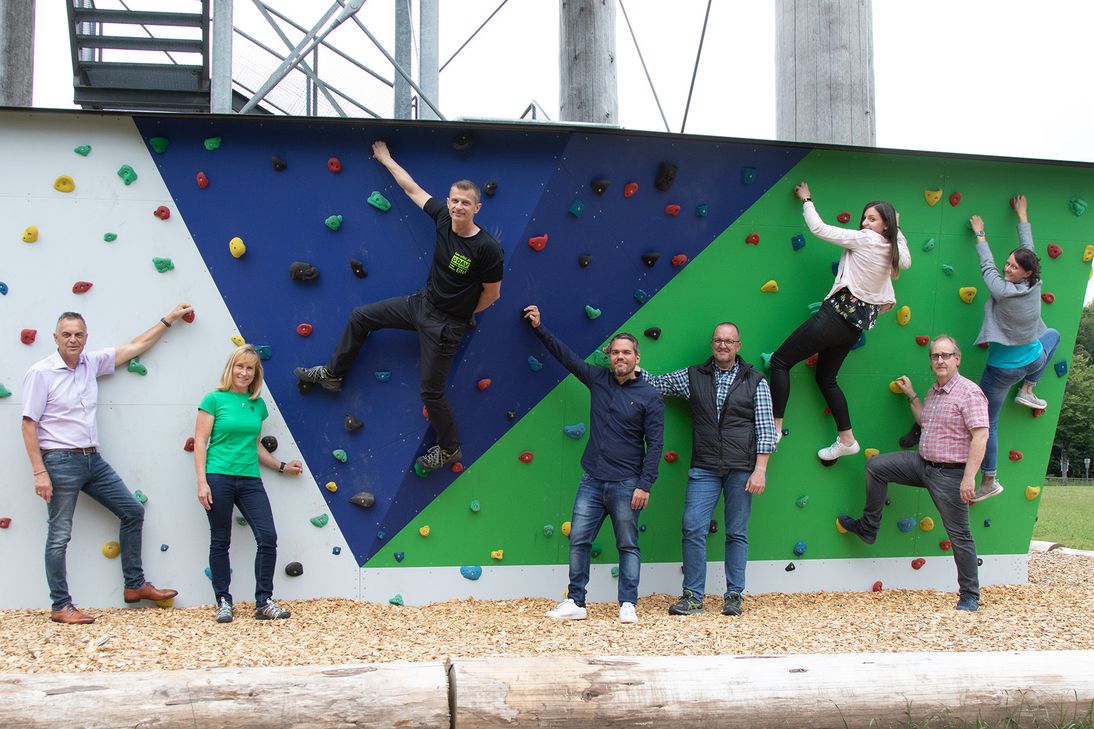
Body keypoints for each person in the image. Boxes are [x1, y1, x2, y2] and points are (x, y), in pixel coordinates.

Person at [295, 140, 504, 472]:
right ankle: (333, 375)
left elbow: (492, 294)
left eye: (466, 203)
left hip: (446, 325)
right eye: (454, 200)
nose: (458, 207)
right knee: (361, 317)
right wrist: (386, 159)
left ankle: (449, 447)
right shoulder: (442, 218)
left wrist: (463, 314)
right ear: (448, 202)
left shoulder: (487, 248)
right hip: (420, 304)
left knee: (430, 391)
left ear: (477, 207)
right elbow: (413, 190)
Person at [21, 306, 191, 624]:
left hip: (92, 460)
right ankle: (61, 605)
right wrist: (39, 470)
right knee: (59, 535)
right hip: (59, 461)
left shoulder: (90, 362)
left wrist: (168, 319)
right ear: (55, 338)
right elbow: (28, 424)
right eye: (67, 334)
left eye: (79, 334)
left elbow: (133, 347)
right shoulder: (41, 372)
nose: (73, 339)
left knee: (132, 511)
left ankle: (134, 585)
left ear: (86, 337)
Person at [523, 305, 663, 624]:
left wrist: (645, 485)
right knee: (578, 540)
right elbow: (566, 356)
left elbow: (655, 444)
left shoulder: (649, 396)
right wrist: (539, 328)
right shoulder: (597, 378)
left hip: (628, 484)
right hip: (592, 481)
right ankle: (576, 601)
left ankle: (628, 604)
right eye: (615, 352)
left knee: (627, 544)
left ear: (637, 357)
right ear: (609, 356)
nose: (620, 357)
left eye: (626, 352)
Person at [838, 336, 987, 611]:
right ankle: (868, 528)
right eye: (935, 356)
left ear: (958, 358)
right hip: (923, 464)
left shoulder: (969, 392)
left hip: (950, 474)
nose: (940, 360)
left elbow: (981, 435)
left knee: (960, 535)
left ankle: (969, 595)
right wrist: (912, 396)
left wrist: (969, 477)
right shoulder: (934, 391)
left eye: (945, 355)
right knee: (876, 467)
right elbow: (925, 420)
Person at [640, 322, 777, 617]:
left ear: (738, 346)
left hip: (742, 468)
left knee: (737, 532)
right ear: (712, 344)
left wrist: (760, 470)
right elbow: (659, 384)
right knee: (692, 527)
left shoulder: (756, 380)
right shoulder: (694, 376)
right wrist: (633, 369)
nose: (723, 345)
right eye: (718, 340)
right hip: (704, 466)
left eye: (729, 341)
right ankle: (692, 597)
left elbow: (766, 429)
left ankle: (734, 596)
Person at [770, 182, 911, 462]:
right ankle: (847, 438)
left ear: (884, 225)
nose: (864, 223)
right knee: (826, 377)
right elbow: (905, 260)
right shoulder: (892, 249)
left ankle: (773, 428)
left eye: (872, 218)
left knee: (780, 361)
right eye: (864, 218)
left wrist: (806, 199)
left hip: (834, 317)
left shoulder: (866, 239)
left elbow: (819, 229)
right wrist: (897, 229)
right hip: (852, 328)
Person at [195, 345, 302, 623]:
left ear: (256, 373)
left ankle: (263, 602)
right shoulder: (213, 400)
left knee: (268, 538)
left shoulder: (258, 405)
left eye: (249, 368)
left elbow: (254, 445)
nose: (243, 372)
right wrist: (202, 482)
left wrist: (281, 466)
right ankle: (223, 601)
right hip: (218, 476)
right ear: (231, 368)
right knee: (221, 540)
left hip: (250, 479)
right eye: (239, 366)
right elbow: (201, 442)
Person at [968, 195, 1060, 503]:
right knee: (1054, 335)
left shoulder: (1003, 290)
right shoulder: (1035, 282)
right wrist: (1022, 214)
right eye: (1007, 263)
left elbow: (986, 266)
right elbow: (1029, 249)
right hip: (1034, 359)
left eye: (1012, 266)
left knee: (987, 425)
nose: (1007, 268)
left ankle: (989, 480)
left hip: (1002, 371)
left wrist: (980, 234)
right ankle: (1029, 390)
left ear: (1025, 273)